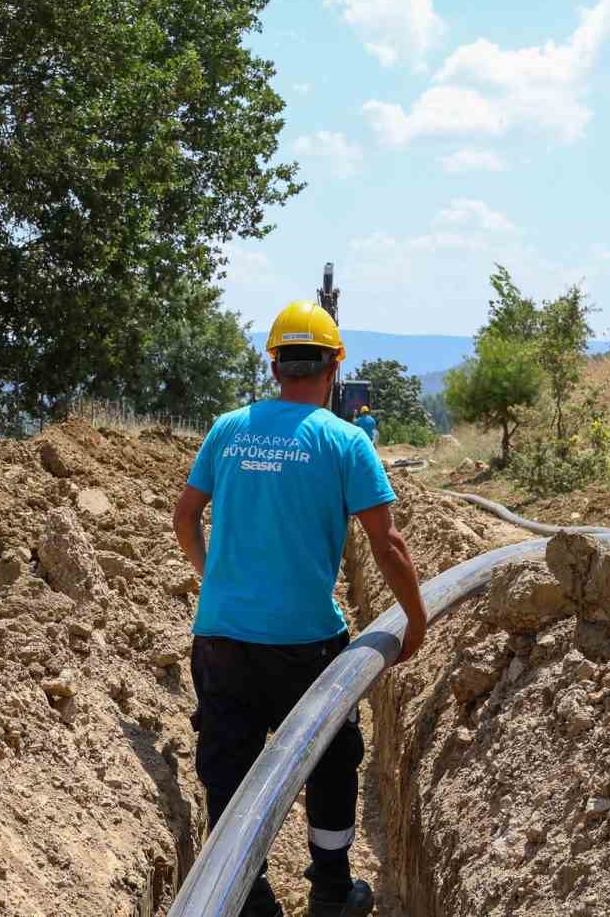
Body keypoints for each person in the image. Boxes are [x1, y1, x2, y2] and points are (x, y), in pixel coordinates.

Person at [173, 299, 428, 917]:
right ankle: (332, 891)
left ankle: (249, 897)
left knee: (227, 765)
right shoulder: (344, 441)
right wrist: (415, 619)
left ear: (274, 366)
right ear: (335, 366)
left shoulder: (227, 429)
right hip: (306, 646)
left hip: (221, 640)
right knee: (332, 757)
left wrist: (216, 580)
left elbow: (185, 518)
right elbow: (386, 542)